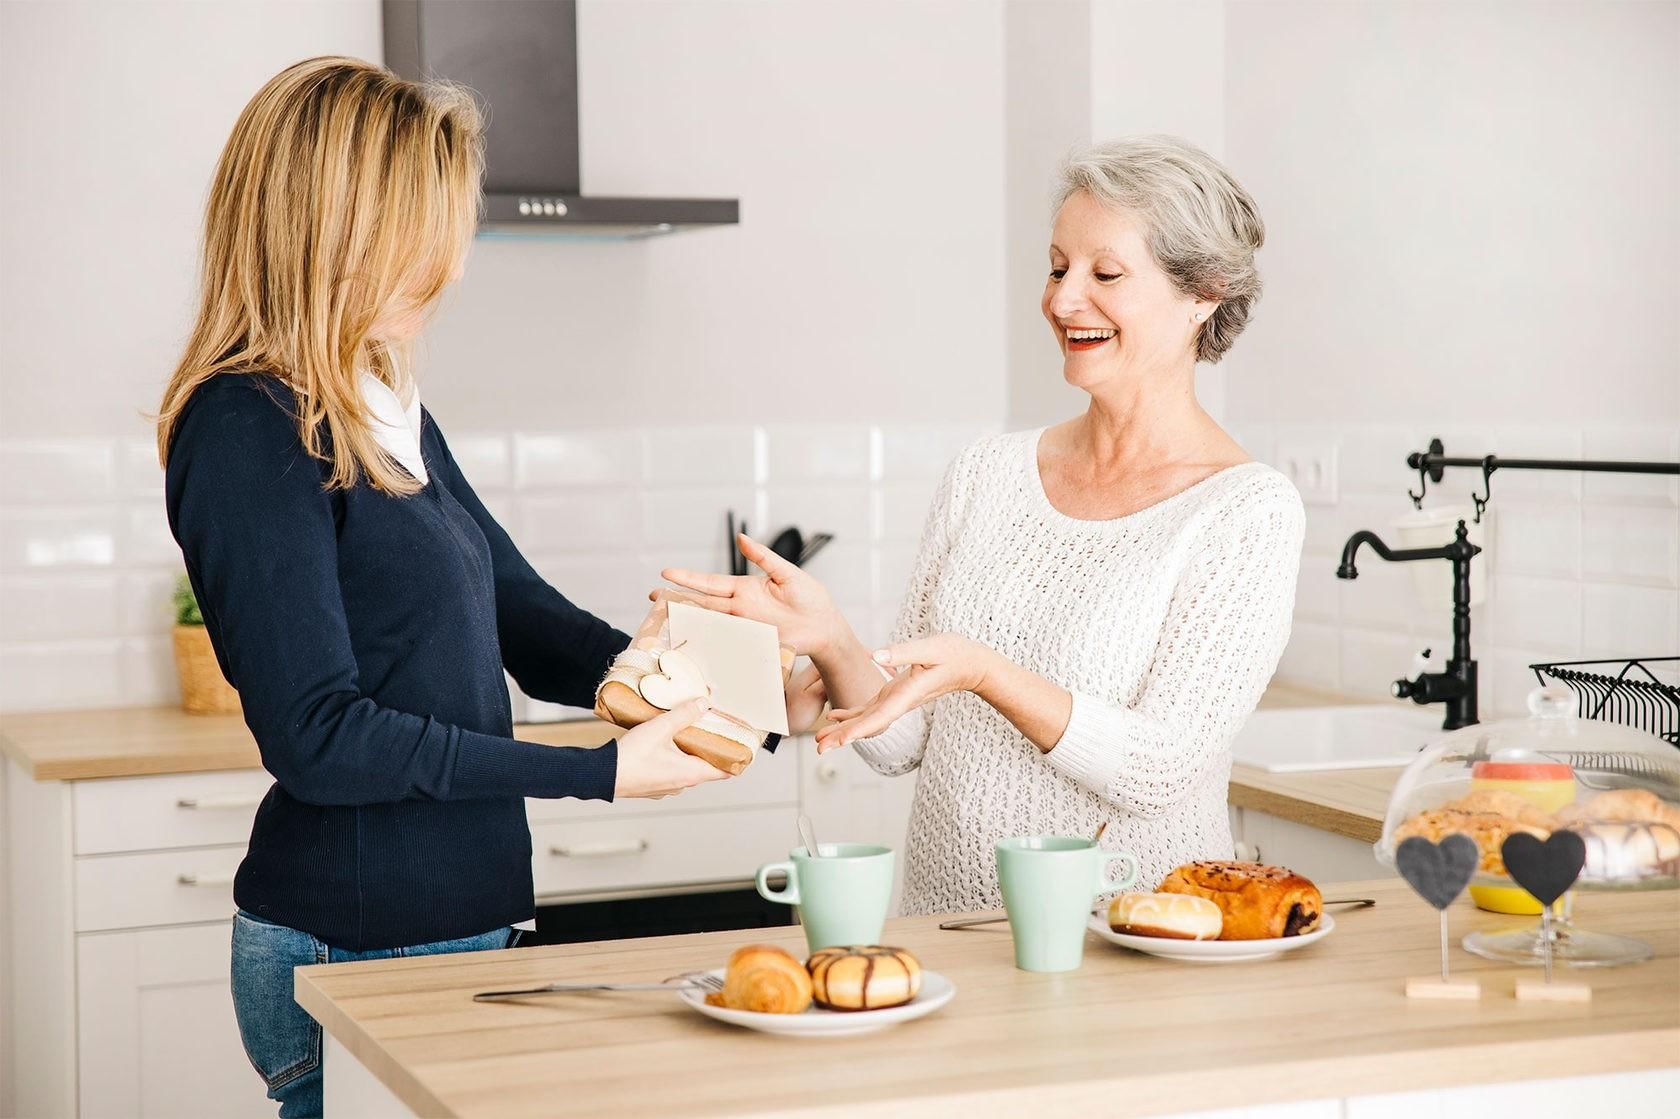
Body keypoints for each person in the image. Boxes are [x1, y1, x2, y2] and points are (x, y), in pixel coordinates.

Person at [157, 57, 728, 1119]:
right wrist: (597, 774)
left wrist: (656, 672)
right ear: (340, 228)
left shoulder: (380, 401)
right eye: (431, 229)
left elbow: (515, 607)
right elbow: (319, 736)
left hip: (459, 915)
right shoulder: (245, 428)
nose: (454, 266)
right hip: (357, 933)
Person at [666, 136, 1305, 914]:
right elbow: (904, 743)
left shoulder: (1243, 512)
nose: (1064, 299)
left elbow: (1160, 769)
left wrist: (986, 670)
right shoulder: (988, 474)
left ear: (1203, 292)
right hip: (945, 936)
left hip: (1128, 944)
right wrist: (831, 639)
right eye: (1056, 266)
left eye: (1105, 273)